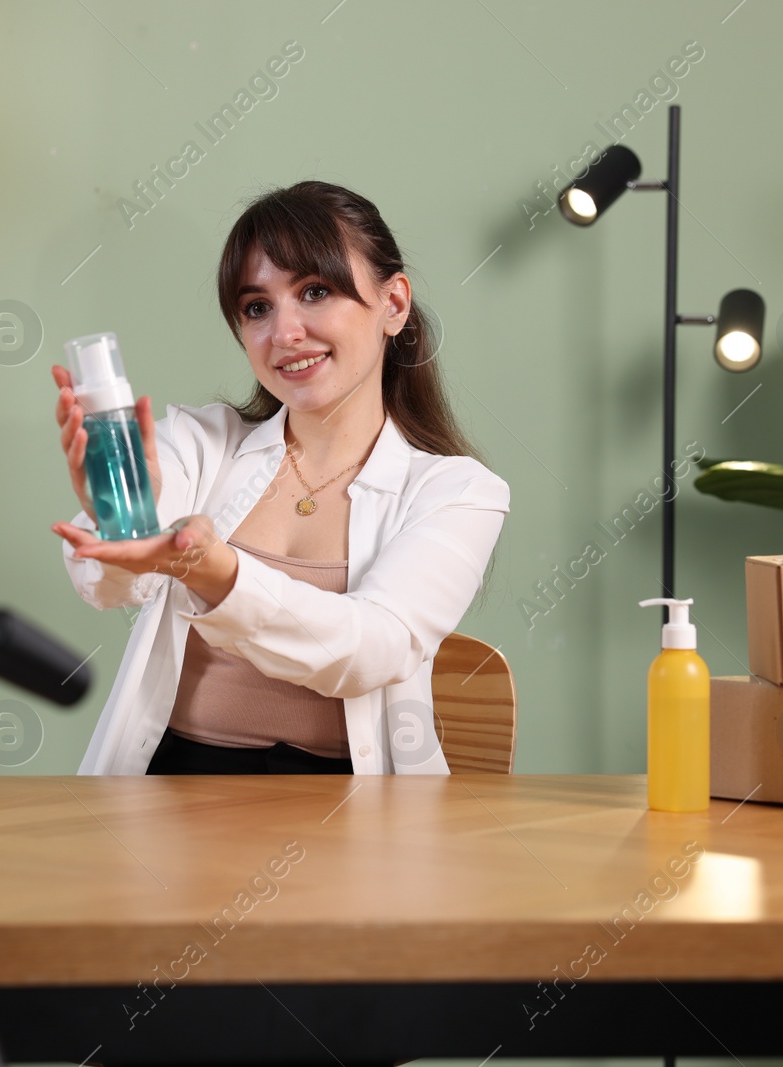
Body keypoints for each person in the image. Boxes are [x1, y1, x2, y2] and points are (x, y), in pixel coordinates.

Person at [51, 180, 509, 775]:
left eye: (315, 292)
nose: (284, 333)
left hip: (353, 808)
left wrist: (216, 572)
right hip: (174, 788)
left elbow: (370, 649)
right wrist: (120, 523)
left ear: (394, 305)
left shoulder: (457, 492)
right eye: (257, 308)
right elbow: (108, 585)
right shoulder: (202, 442)